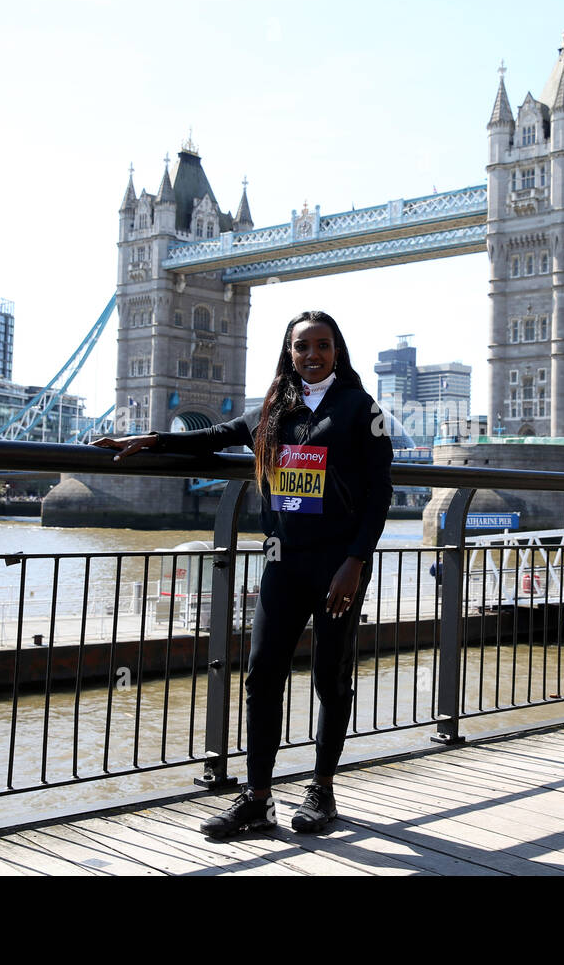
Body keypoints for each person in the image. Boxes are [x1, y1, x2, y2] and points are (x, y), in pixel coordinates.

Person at [93, 311, 393, 839]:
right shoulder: (275, 410)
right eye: (302, 347)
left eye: (323, 346)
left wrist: (356, 561)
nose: (313, 355)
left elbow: (380, 492)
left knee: (330, 675)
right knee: (261, 677)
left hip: (336, 566)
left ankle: (322, 790)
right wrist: (152, 440)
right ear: (290, 353)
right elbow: (213, 436)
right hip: (282, 560)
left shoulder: (361, 409)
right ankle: (258, 799)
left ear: (338, 351)